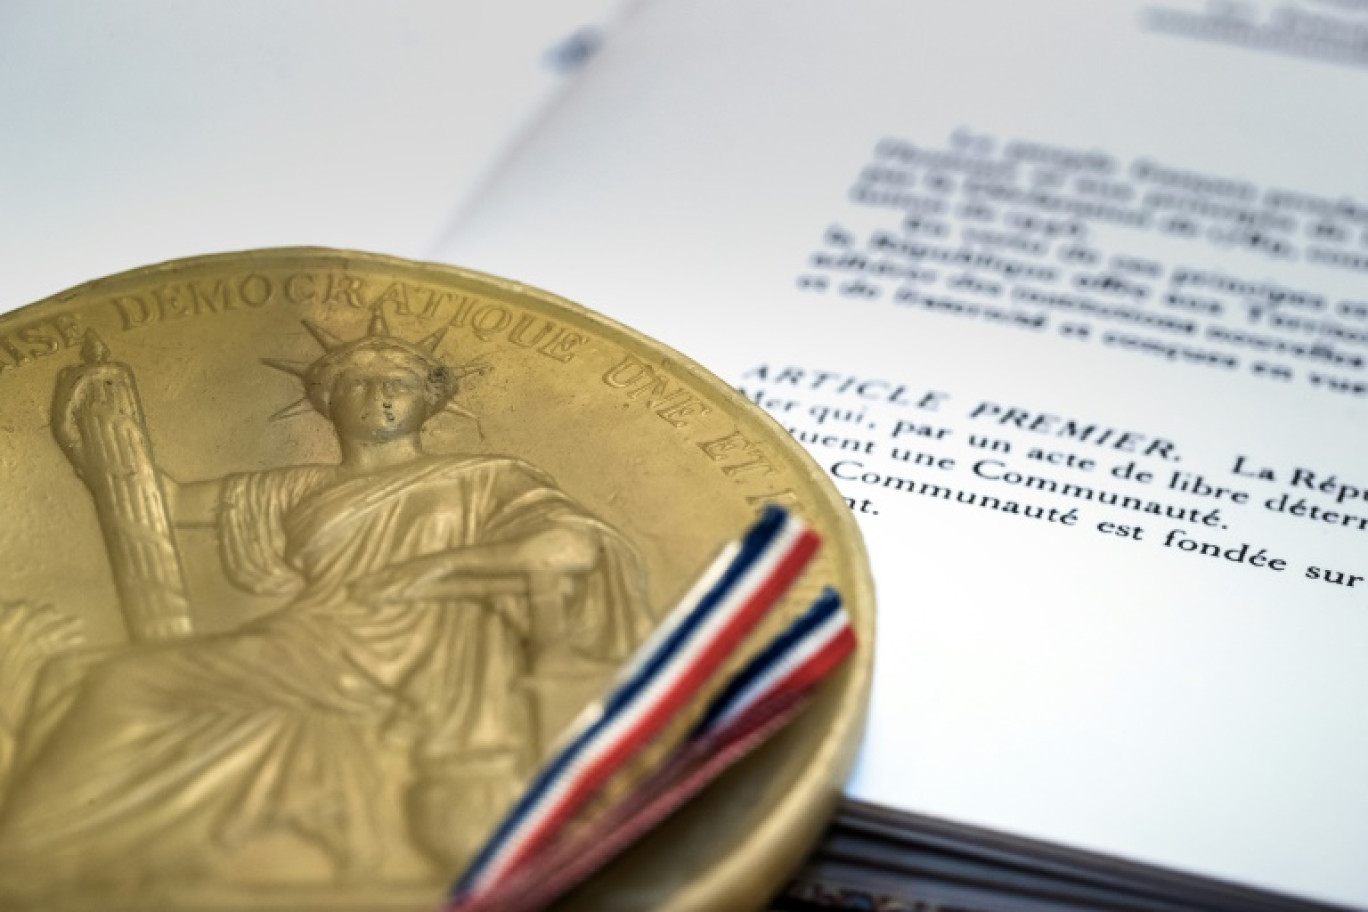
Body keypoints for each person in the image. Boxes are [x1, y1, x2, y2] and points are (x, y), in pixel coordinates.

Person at [0, 313, 652, 900]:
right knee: (78, 675)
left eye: (399, 382)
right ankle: (86, 853)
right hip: (320, 641)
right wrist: (92, 435)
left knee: (126, 681)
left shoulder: (486, 478)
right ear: (329, 404)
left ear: (430, 402)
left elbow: (567, 546)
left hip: (417, 651)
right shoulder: (297, 486)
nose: (381, 394)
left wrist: (437, 567)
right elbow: (163, 504)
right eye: (359, 384)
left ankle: (30, 858)